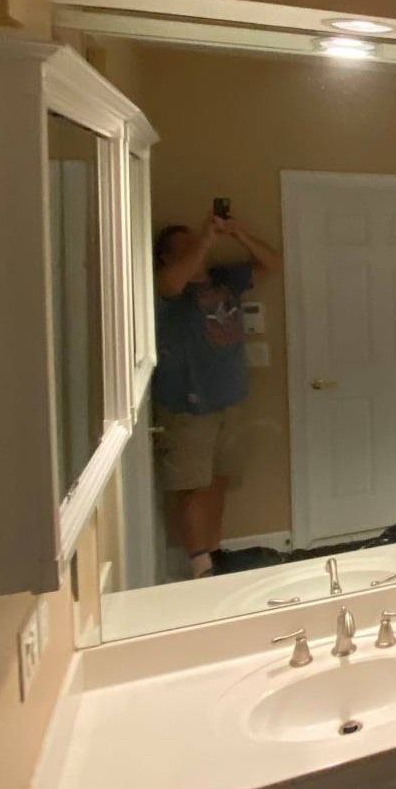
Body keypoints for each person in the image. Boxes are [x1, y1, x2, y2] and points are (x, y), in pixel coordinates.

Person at [152, 213, 281, 577]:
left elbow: (274, 263)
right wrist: (204, 240)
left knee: (219, 480)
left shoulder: (226, 279)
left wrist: (237, 231)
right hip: (188, 404)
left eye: (196, 241)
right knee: (192, 485)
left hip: (231, 399)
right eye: (184, 244)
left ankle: (215, 551)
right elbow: (173, 282)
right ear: (166, 256)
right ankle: (200, 568)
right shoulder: (166, 287)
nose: (196, 247)